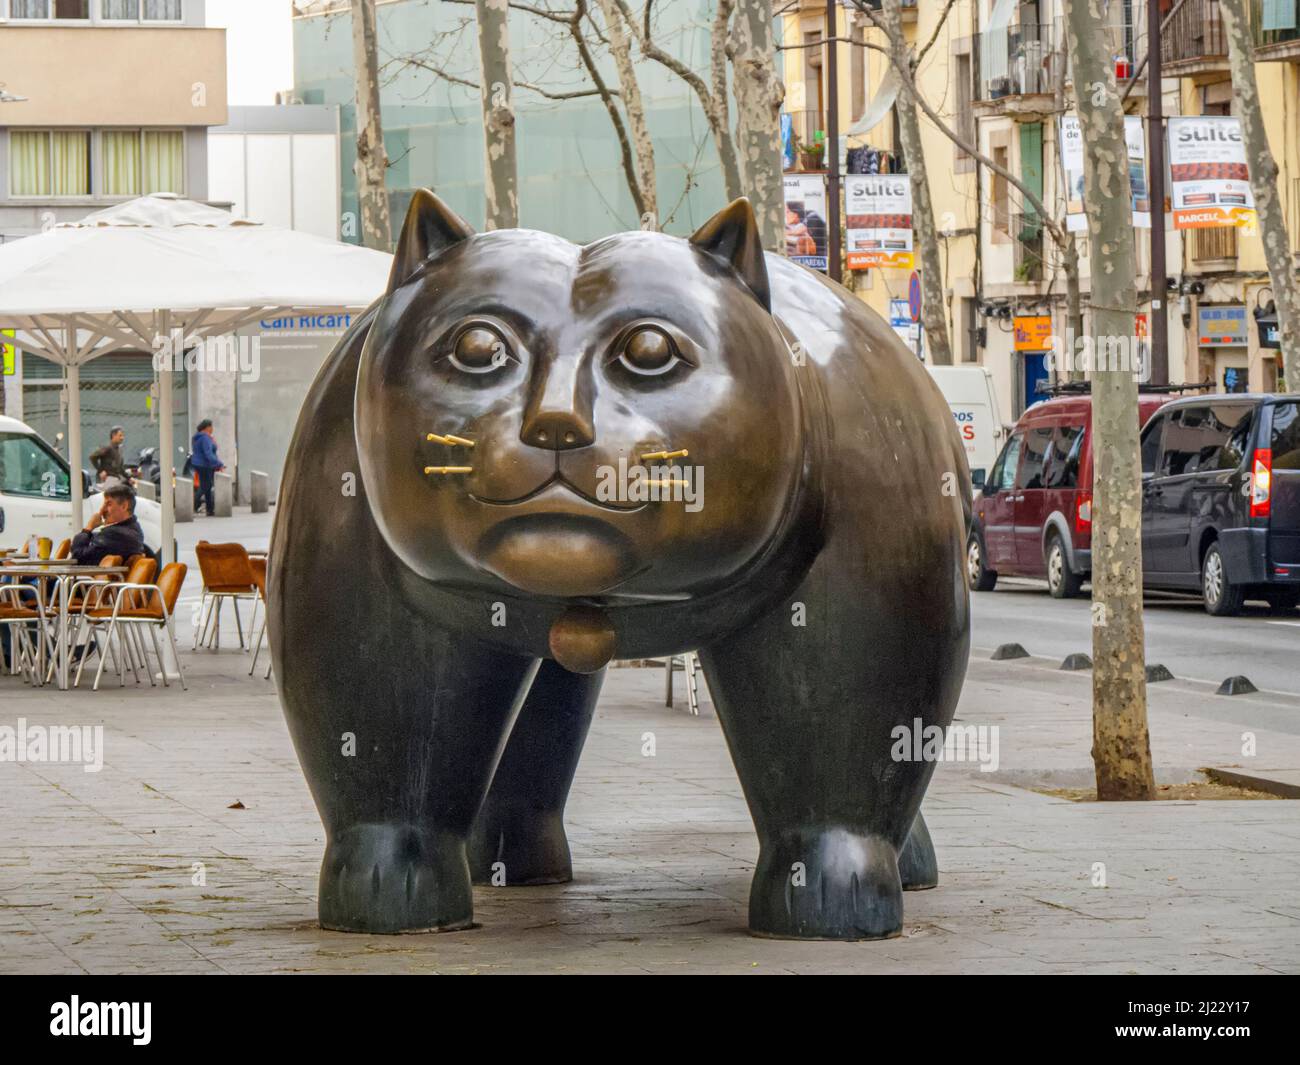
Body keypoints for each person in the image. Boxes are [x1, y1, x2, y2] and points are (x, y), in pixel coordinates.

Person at [70, 484, 145, 565]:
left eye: (108, 504)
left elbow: (78, 558)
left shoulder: (115, 534)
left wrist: (88, 528)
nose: (102, 509)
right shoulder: (134, 530)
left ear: (124, 506)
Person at [191, 419, 225, 517]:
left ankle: (209, 509)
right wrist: (219, 464)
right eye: (211, 426)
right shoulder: (205, 438)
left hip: (199, 464)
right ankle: (193, 505)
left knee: (207, 487)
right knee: (205, 486)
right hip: (205, 464)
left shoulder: (197, 437)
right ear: (207, 427)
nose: (212, 429)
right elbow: (208, 453)